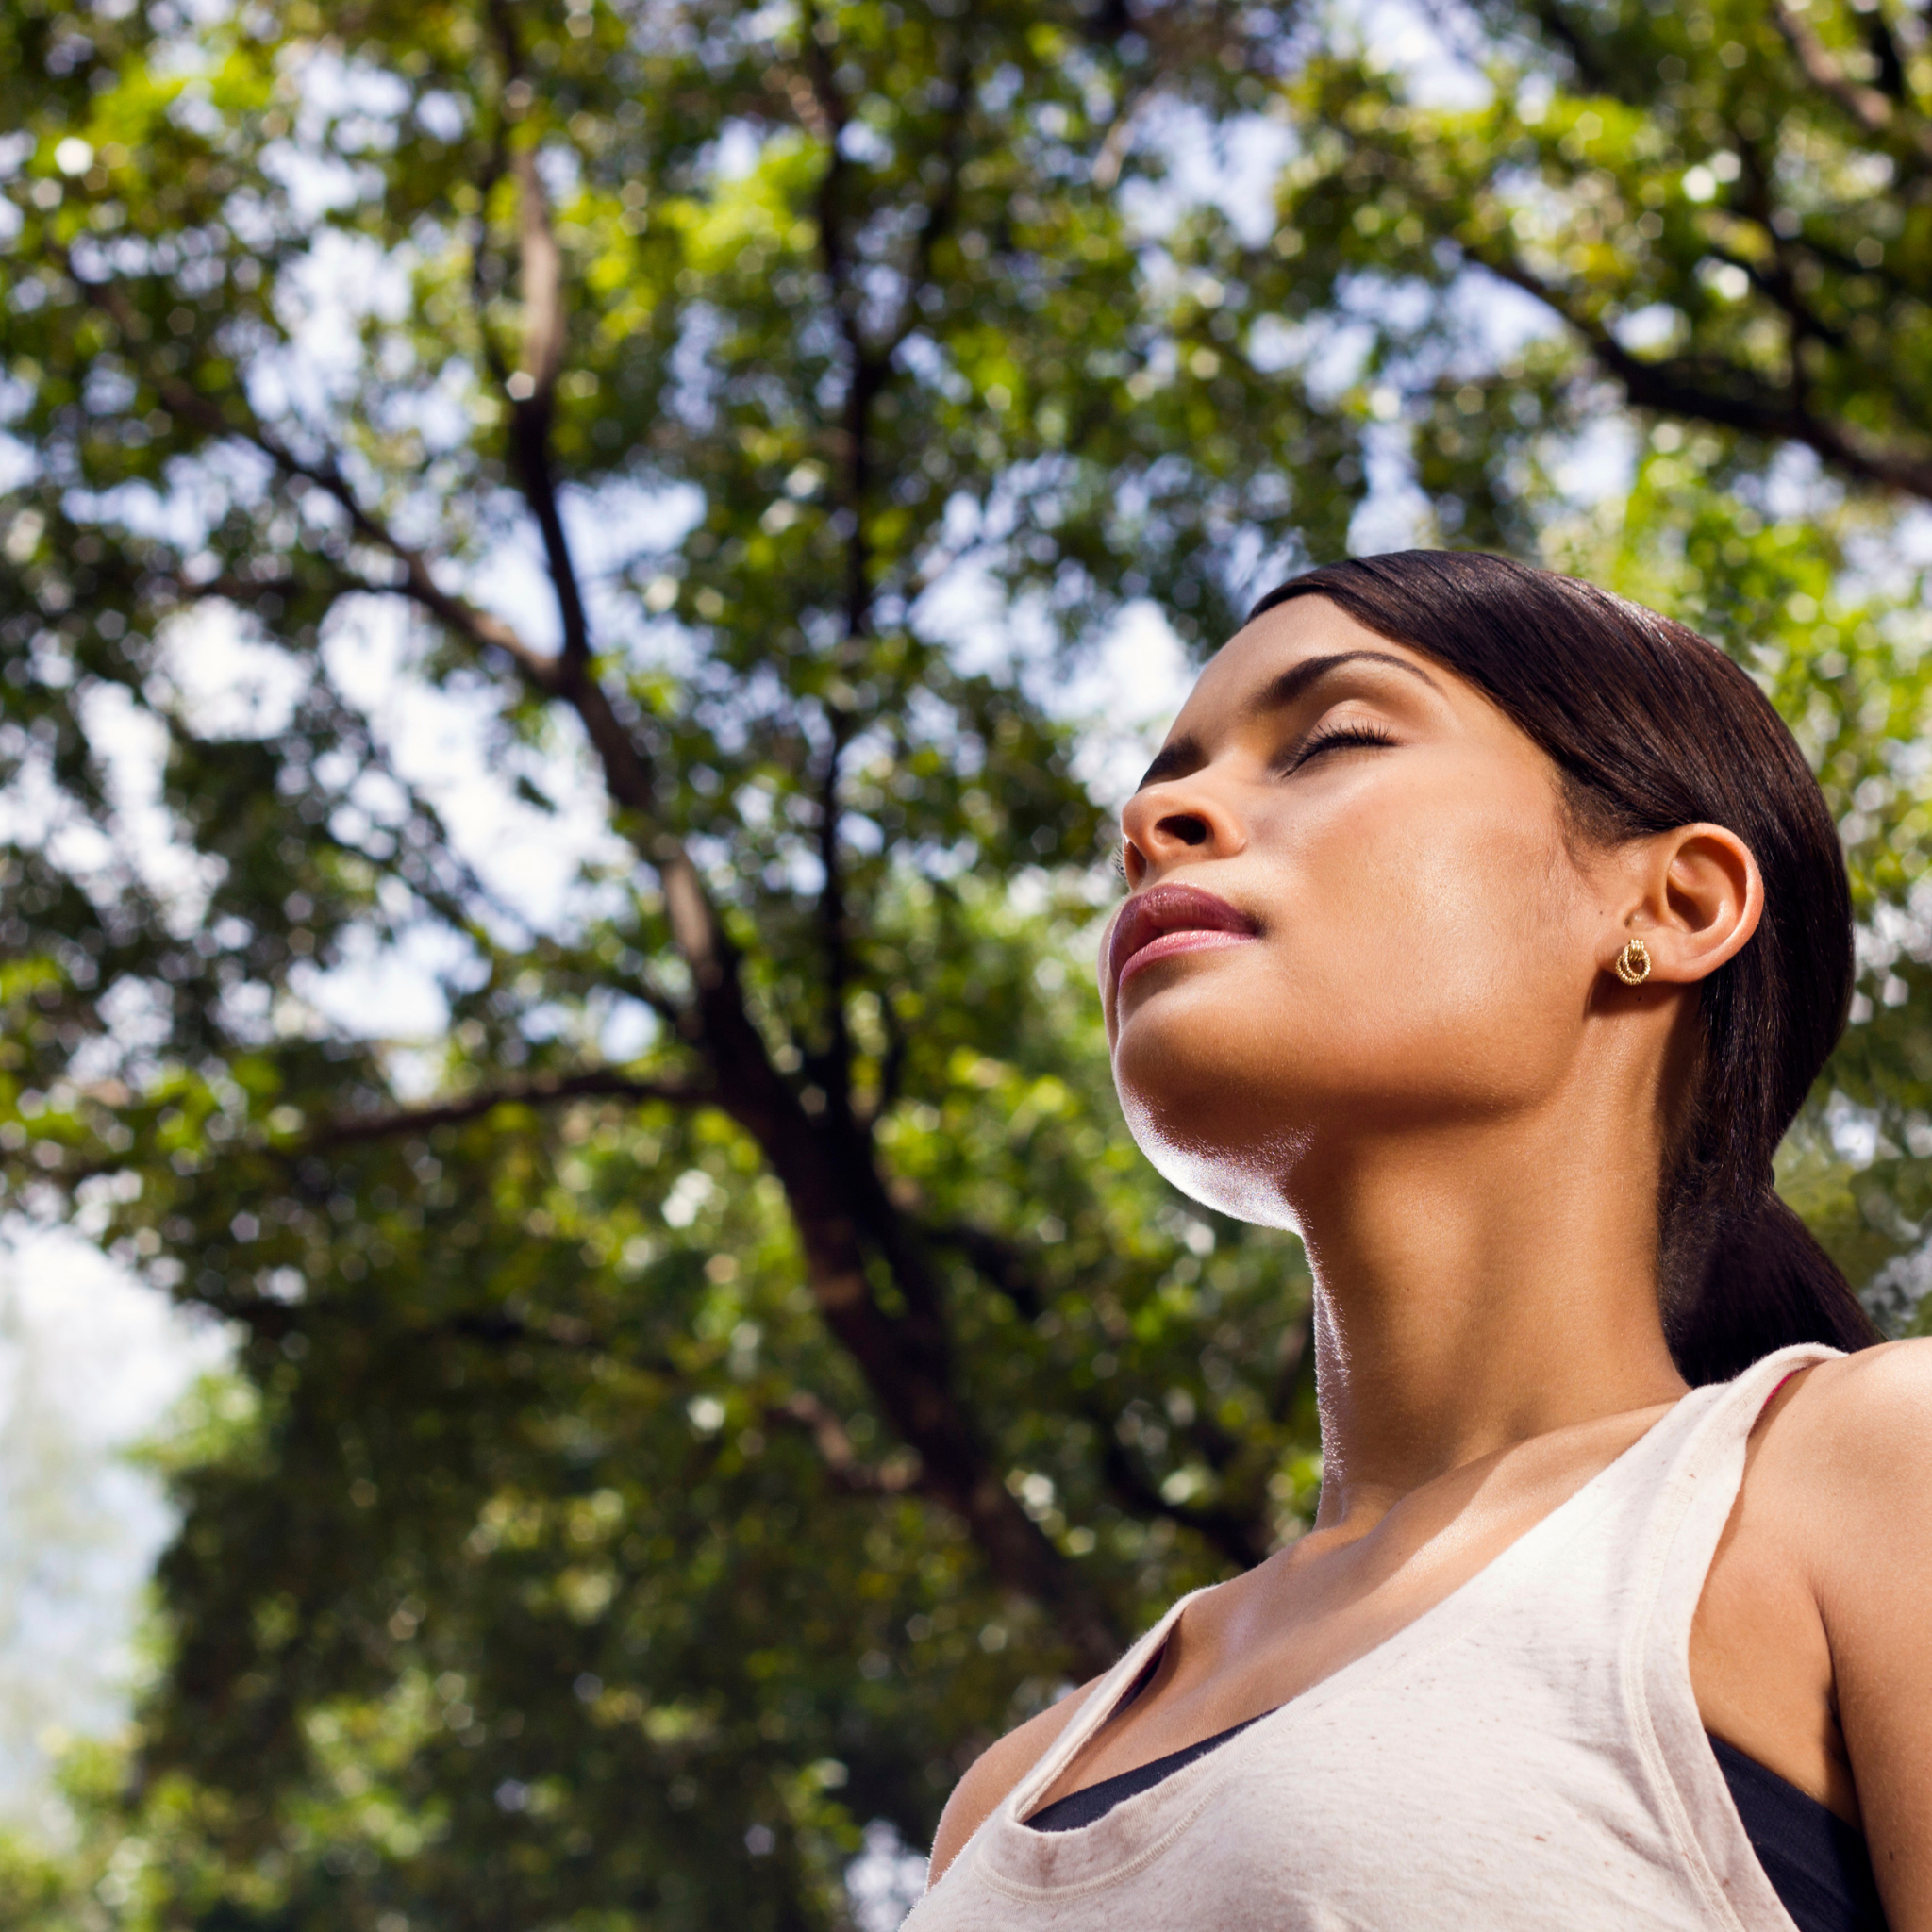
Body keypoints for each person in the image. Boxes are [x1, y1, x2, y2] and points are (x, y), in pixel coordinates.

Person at [912, 551, 1929, 1932]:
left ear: (1672, 906)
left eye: (1330, 737)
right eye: (1160, 786)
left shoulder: (1869, 1474)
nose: (1156, 816)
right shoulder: (1012, 1795)